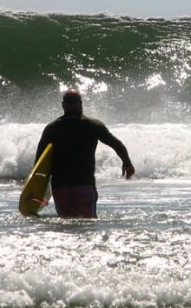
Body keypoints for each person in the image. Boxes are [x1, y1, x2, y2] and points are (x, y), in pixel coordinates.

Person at [35, 89, 134, 218]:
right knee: (87, 225)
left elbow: (39, 160)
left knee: (65, 227)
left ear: (63, 105)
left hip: (60, 187)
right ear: (80, 104)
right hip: (84, 184)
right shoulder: (93, 125)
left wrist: (37, 188)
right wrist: (127, 163)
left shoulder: (52, 128)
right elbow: (116, 144)